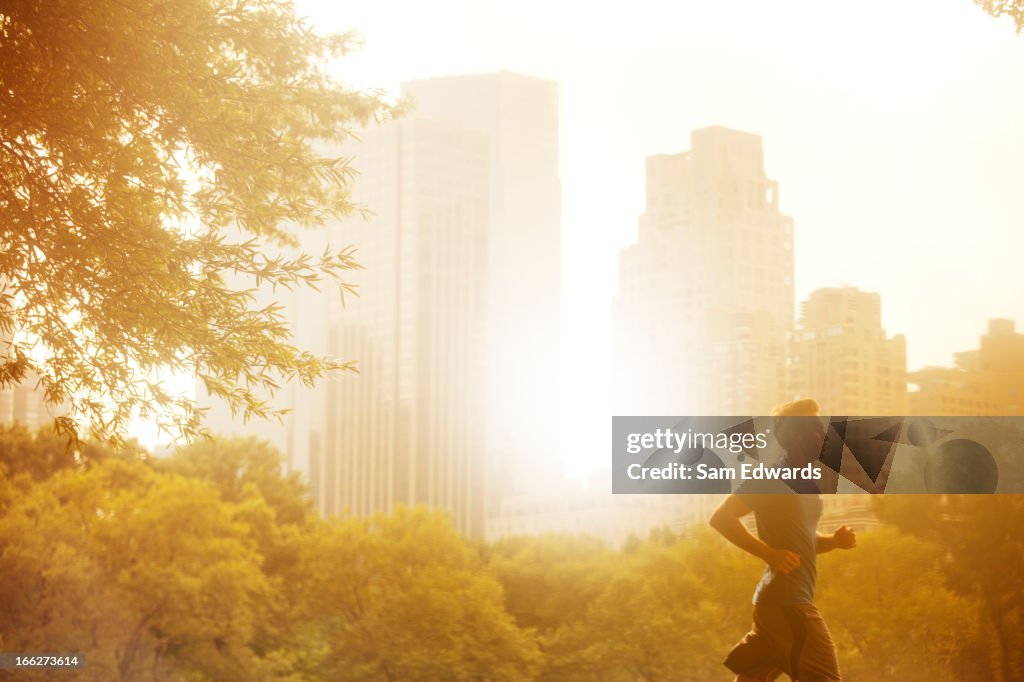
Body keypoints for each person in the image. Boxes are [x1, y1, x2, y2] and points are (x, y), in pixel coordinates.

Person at [709, 398, 856, 682]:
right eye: (816, 430)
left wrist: (833, 541)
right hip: (788, 602)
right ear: (797, 435)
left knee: (753, 677)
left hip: (775, 603)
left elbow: (801, 542)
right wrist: (768, 553)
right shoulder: (769, 478)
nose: (824, 437)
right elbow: (721, 518)